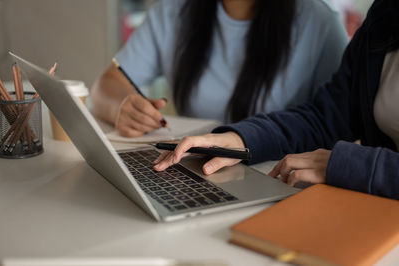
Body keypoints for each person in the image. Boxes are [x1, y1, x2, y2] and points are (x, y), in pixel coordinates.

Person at [153, 0, 399, 200]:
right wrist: (240, 139)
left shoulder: (316, 18)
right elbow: (325, 118)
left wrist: (350, 165)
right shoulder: (385, 16)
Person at [91, 0, 348, 137]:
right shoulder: (173, 12)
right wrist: (123, 107)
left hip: (281, 184)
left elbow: (342, 126)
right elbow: (106, 84)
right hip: (193, 175)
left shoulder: (319, 23)